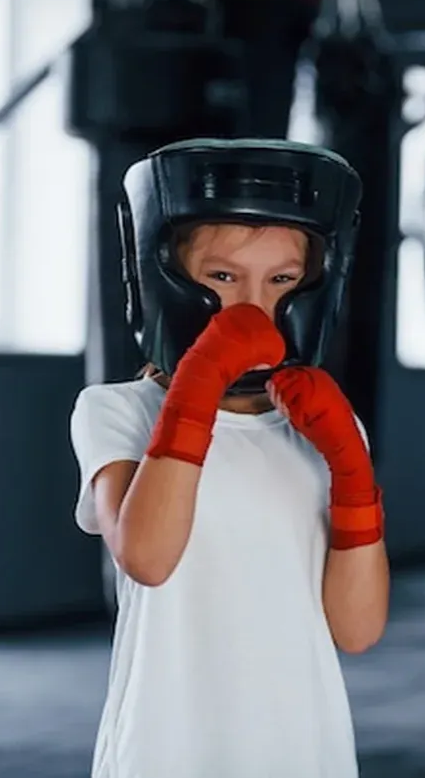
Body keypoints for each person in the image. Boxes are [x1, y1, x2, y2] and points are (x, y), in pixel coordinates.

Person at [69, 138, 388, 778]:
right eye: (221, 278)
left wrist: (352, 471)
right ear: (167, 278)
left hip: (305, 750)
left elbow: (356, 630)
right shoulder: (115, 410)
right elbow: (148, 557)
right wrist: (200, 379)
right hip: (166, 750)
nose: (253, 308)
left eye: (281, 281)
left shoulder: (325, 426)